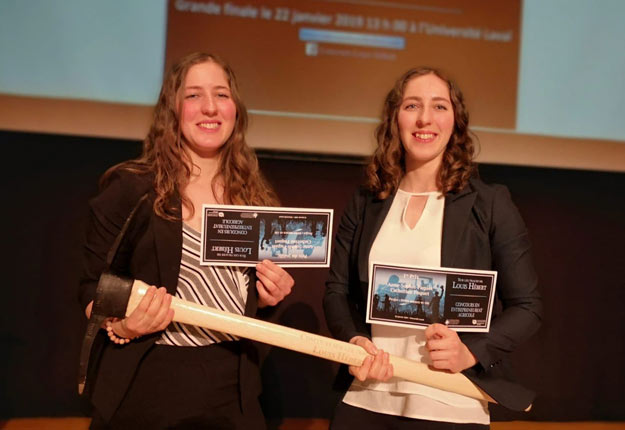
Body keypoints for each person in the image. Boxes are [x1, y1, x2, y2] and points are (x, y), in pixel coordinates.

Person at [78, 52, 294, 429]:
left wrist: (266, 295)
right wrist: (126, 327)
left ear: (236, 109)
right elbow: (91, 291)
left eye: (221, 95)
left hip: (233, 392)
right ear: (172, 109)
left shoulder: (254, 197)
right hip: (149, 391)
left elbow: (243, 300)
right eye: (194, 95)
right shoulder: (133, 188)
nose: (210, 107)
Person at [323, 67, 542, 429]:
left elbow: (528, 307)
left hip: (449, 399)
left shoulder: (489, 203)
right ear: (395, 118)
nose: (425, 118)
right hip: (368, 394)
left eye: (439, 106)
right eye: (412, 106)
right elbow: (335, 291)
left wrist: (471, 352)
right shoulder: (367, 200)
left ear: (456, 121)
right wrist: (354, 340)